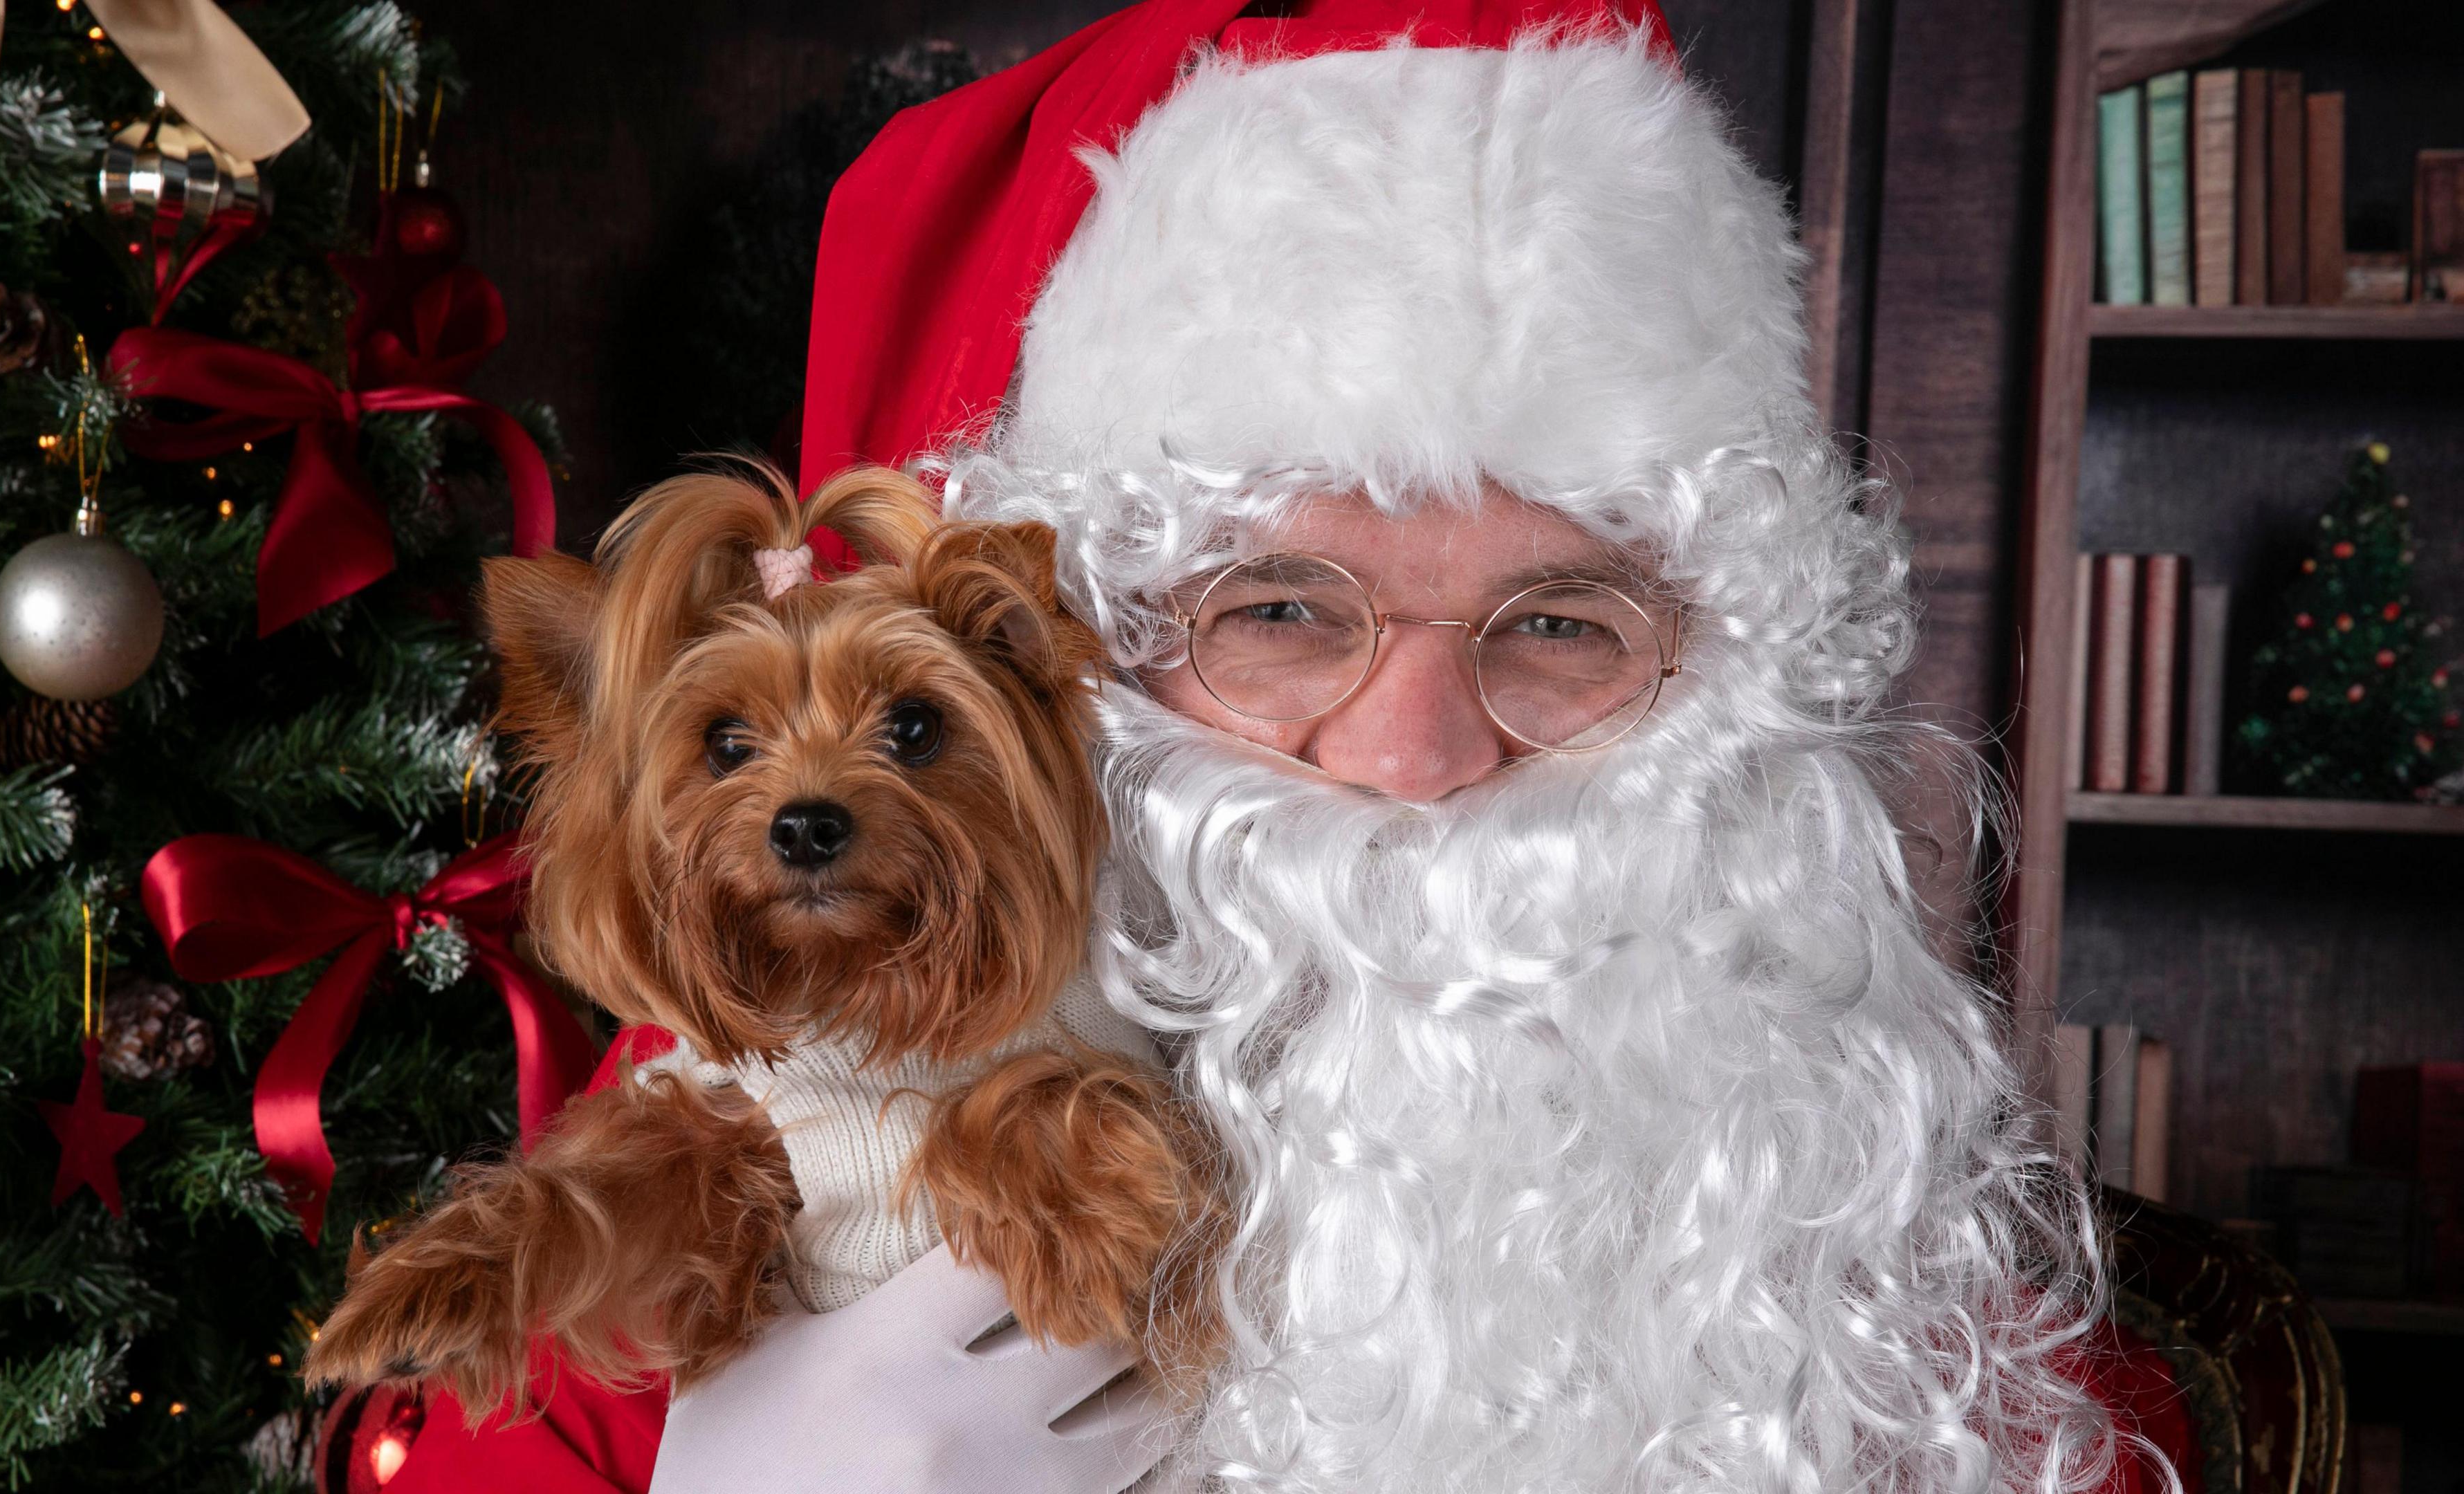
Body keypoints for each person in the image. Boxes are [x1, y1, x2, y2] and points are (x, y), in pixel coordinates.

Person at [389, 2, 2194, 1491]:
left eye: (1561, 627)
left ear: (1728, 692)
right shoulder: (641, 1280)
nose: (1411, 757)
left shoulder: (1956, 1402)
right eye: (1278, 614)